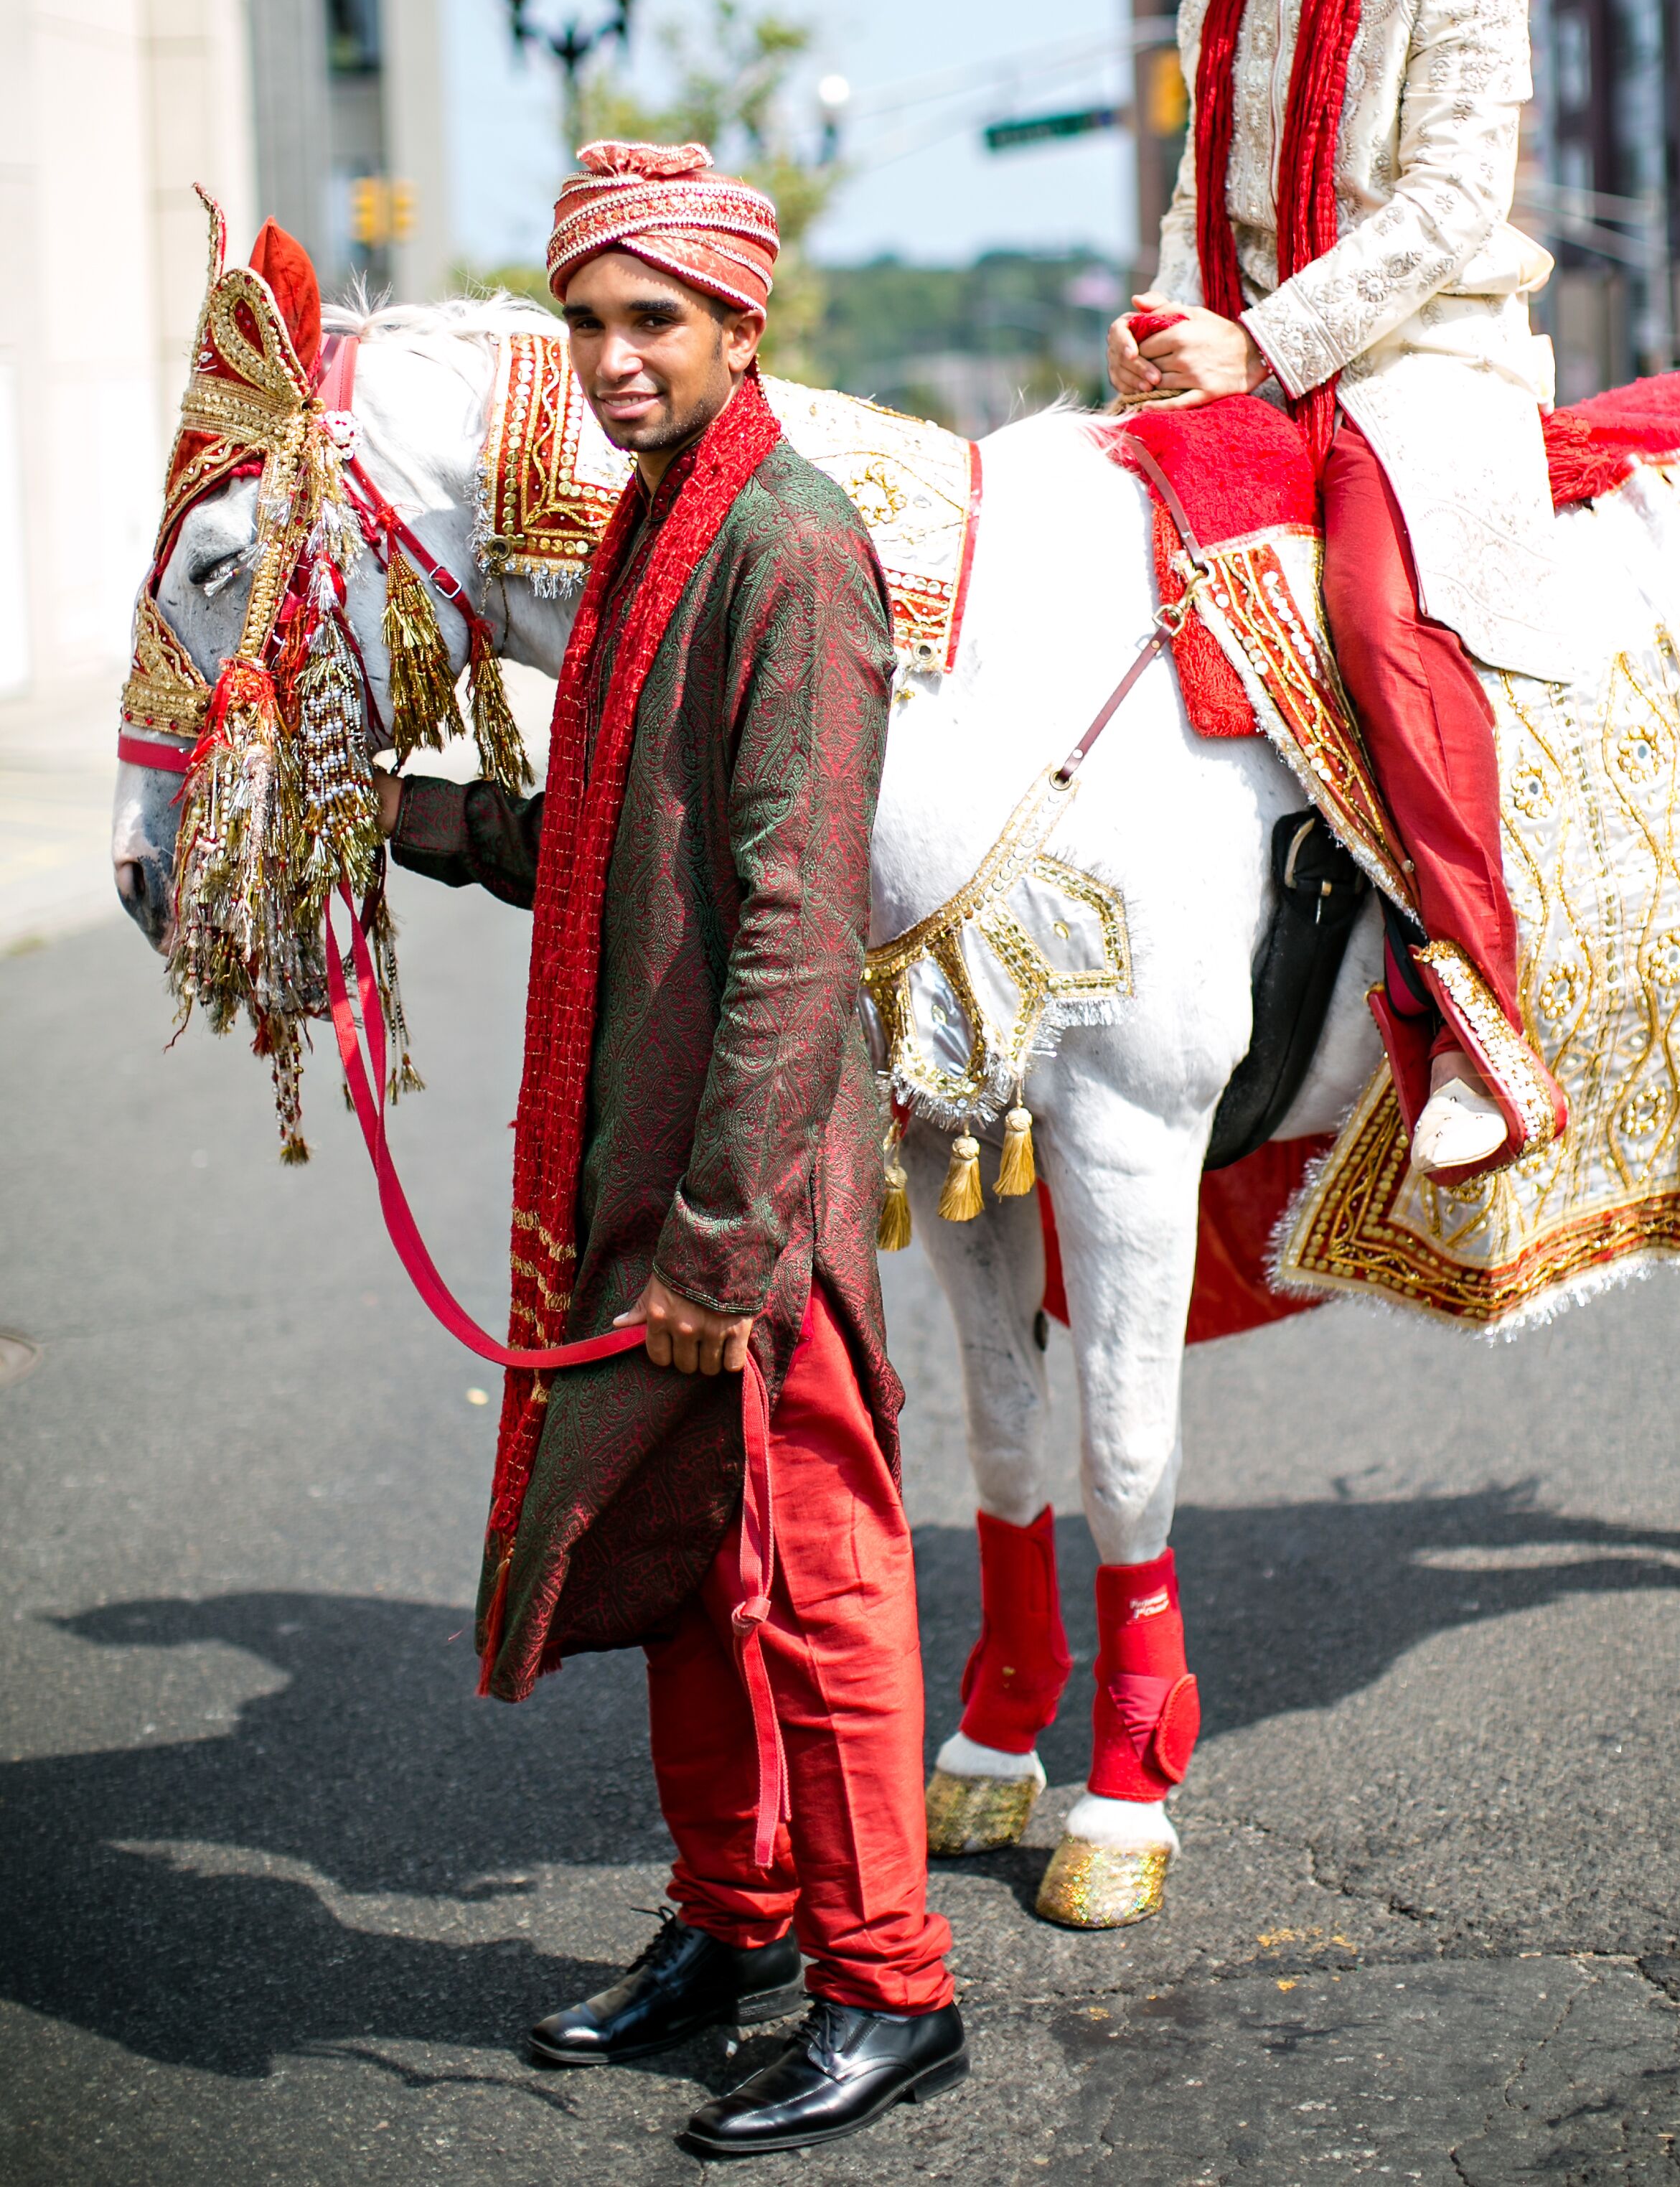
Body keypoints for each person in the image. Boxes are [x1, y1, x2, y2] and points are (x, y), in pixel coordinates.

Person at [375, 139, 966, 2158]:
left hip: (752, 1181)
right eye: (590, 324)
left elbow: (798, 919)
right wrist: (411, 816)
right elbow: (631, 850)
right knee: (695, 1574)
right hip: (663, 1150)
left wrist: (727, 1241)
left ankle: (893, 1985)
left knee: (813, 1575)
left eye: (655, 322)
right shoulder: (650, 531)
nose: (616, 360)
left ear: (740, 325)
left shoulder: (788, 548)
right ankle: (737, 1922)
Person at [1110, 0, 1570, 1181]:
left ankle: (1481, 1025)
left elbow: (1450, 203)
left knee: (1376, 616)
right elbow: (1192, 223)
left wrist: (1263, 343)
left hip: (1420, 365)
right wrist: (1167, 326)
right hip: (1258, 361)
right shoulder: (1213, 1)